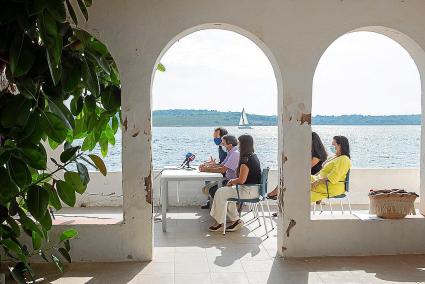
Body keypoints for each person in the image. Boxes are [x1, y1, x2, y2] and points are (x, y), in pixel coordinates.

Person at [209, 134, 261, 232]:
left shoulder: (245, 160)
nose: (238, 145)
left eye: (239, 143)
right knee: (225, 193)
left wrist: (231, 181)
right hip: (254, 190)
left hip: (247, 191)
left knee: (220, 192)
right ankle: (235, 220)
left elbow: (241, 180)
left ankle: (220, 223)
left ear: (243, 145)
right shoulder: (254, 156)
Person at [267, 131, 328, 200]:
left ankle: (276, 192)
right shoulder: (314, 153)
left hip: (312, 178)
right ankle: (278, 193)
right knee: (287, 174)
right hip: (308, 175)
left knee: (288, 175)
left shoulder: (317, 156)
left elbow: (306, 168)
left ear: (313, 142)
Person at [199, 135, 240, 206]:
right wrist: (209, 166)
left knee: (211, 190)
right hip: (227, 180)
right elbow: (221, 165)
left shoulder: (235, 154)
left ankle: (225, 208)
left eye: (223, 144)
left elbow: (223, 170)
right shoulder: (231, 152)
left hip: (231, 182)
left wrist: (206, 170)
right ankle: (218, 208)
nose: (222, 145)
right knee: (206, 188)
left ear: (229, 145)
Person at [310, 135, 351, 203]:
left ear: (340, 145)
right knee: (302, 180)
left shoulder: (344, 159)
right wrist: (315, 177)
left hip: (330, 186)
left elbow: (333, 177)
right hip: (321, 182)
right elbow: (323, 170)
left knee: (302, 183)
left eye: (333, 144)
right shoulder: (334, 157)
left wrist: (317, 181)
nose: (331, 146)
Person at [200, 127, 228, 209]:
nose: (215, 139)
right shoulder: (221, 147)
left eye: (217, 137)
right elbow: (223, 162)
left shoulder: (226, 149)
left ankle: (212, 203)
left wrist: (210, 167)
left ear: (223, 137)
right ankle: (210, 201)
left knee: (208, 177)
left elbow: (225, 166)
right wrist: (214, 164)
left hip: (226, 175)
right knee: (207, 178)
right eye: (214, 137)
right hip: (223, 171)